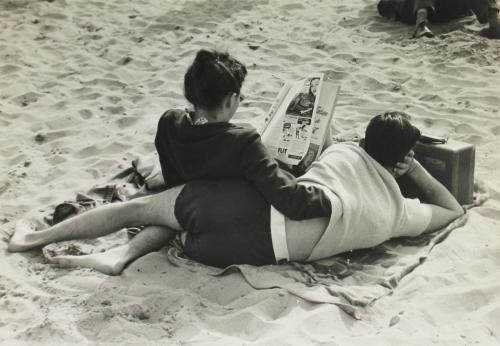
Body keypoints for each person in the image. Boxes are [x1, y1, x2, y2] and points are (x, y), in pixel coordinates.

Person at [8, 111, 464, 275]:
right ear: (400, 160)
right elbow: (453, 209)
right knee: (178, 220)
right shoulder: (396, 214)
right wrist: (417, 169)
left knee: (148, 205)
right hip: (239, 252)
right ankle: (120, 258)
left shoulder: (344, 153)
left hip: (246, 212)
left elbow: (310, 159)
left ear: (365, 142)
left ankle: (34, 241)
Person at [154, 49, 331, 220]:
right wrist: (333, 199)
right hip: (224, 217)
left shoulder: (169, 122)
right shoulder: (242, 143)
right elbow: (291, 201)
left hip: (183, 204)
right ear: (231, 100)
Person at [377, 0, 500, 39]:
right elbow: (385, 7)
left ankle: (494, 23)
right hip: (412, 9)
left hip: (444, 9)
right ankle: (421, 25)